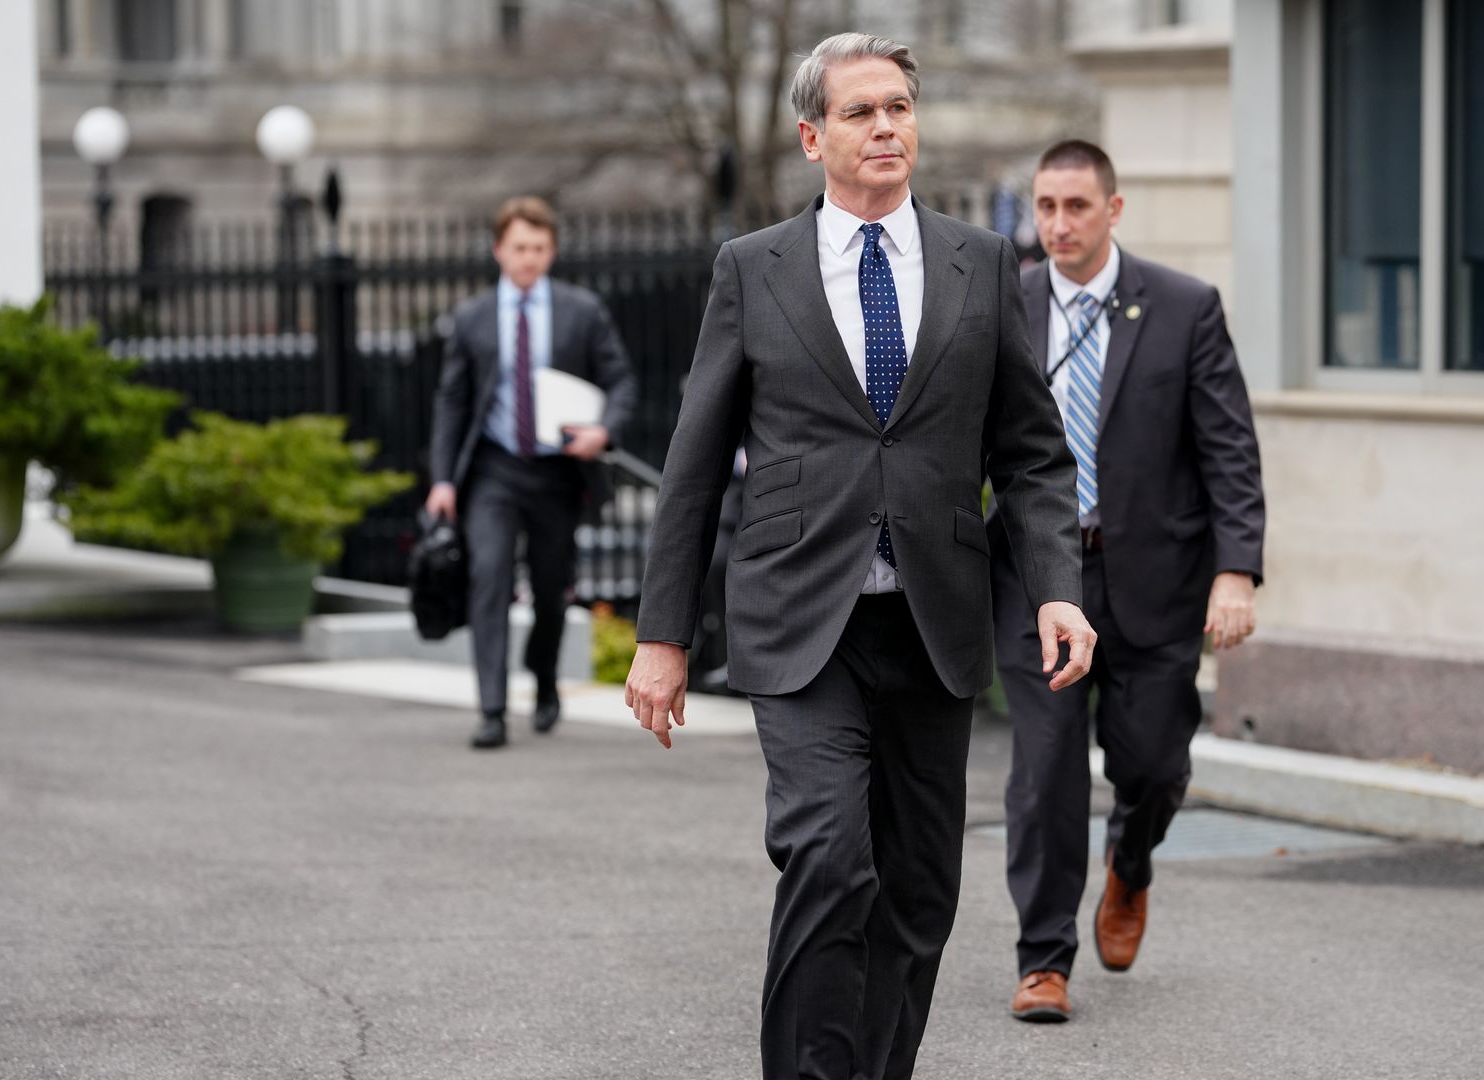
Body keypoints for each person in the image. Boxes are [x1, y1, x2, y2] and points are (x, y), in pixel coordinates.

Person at [625, 33, 1097, 1080]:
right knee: (831, 859)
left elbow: (1031, 454)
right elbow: (694, 465)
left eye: (898, 108)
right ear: (812, 136)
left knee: (919, 889)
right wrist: (663, 636)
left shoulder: (984, 262)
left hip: (931, 622)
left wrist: (1057, 592)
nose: (886, 126)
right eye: (860, 112)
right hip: (802, 624)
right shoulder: (754, 270)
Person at [998, 140, 1265, 1023]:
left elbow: (1228, 448)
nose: (1060, 224)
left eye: (1077, 206)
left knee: (1150, 764)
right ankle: (1044, 960)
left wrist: (1235, 571)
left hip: (1152, 574)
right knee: (1044, 773)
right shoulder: (1006, 302)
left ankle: (1133, 860)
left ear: (1113, 210)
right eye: (1045, 207)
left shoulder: (1184, 307)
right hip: (1039, 577)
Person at [427, 196, 639, 750]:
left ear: (552, 251)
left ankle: (543, 675)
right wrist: (443, 480)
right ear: (499, 249)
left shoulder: (582, 311)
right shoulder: (472, 317)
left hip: (556, 471)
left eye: (540, 248)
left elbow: (622, 382)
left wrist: (604, 431)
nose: (529, 258)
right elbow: (451, 402)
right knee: (490, 576)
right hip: (493, 469)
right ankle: (492, 710)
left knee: (551, 590)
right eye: (520, 247)